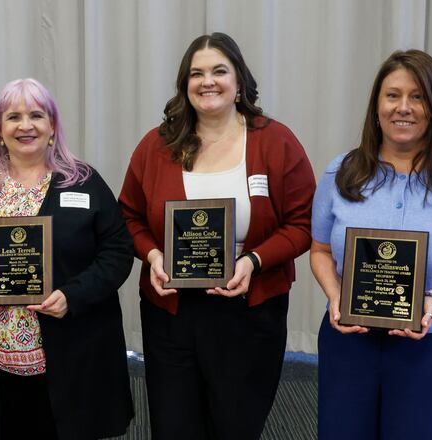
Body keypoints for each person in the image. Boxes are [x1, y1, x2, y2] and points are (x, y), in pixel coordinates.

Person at [119, 32, 315, 439]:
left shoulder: (275, 142)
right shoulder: (156, 147)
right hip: (171, 312)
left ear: (239, 81)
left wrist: (252, 262)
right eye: (197, 73)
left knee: (236, 425)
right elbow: (128, 218)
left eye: (219, 71)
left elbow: (303, 223)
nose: (207, 81)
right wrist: (154, 256)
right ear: (185, 84)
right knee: (175, 426)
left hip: (249, 308)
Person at [310, 49, 432, 439]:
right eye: (392, 95)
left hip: (429, 347)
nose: (403, 108)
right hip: (348, 343)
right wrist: (335, 296)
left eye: (417, 96)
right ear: (376, 106)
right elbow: (319, 251)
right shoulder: (342, 172)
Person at [0, 78, 134, 439]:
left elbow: (117, 252)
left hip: (69, 354)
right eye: (13, 116)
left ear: (52, 127)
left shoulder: (81, 182)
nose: (25, 125)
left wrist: (73, 295)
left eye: (37, 115)